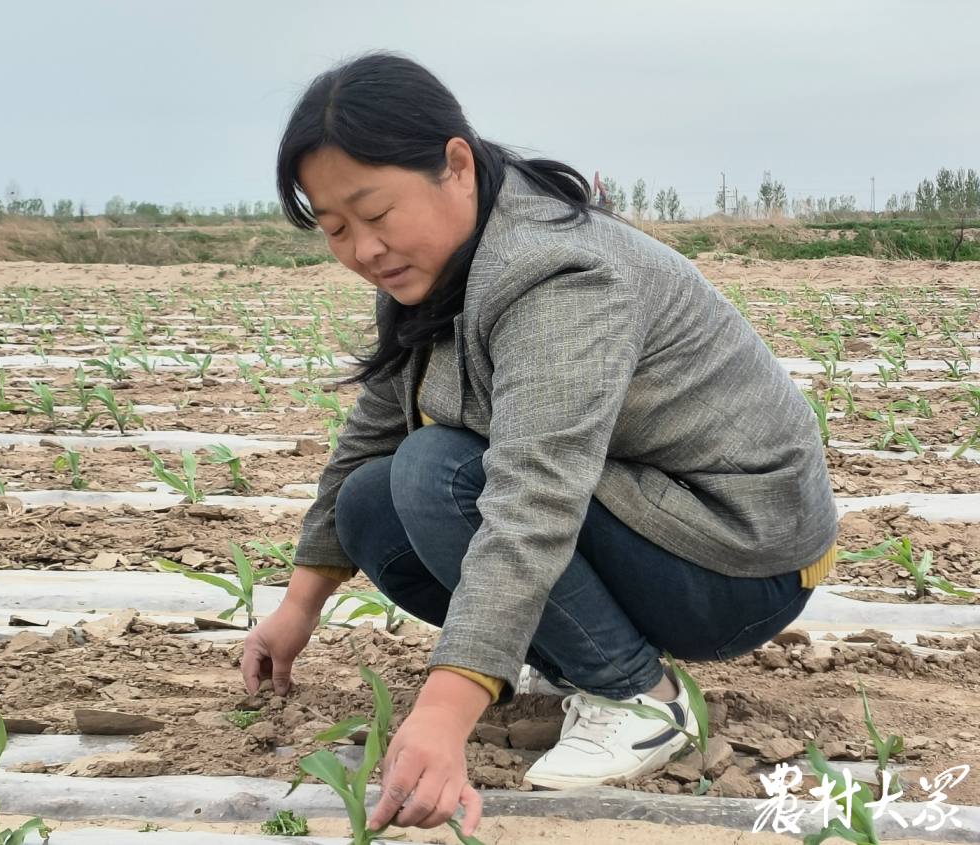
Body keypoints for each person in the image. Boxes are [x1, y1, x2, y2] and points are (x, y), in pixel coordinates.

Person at [241, 52, 837, 836]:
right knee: (370, 501)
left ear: (455, 163)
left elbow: (536, 492)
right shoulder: (447, 267)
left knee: (435, 474)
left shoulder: (555, 271)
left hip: (739, 560)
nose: (363, 249)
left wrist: (447, 706)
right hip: (652, 525)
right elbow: (371, 430)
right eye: (336, 229)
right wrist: (299, 602)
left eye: (376, 214)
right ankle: (569, 655)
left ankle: (639, 701)